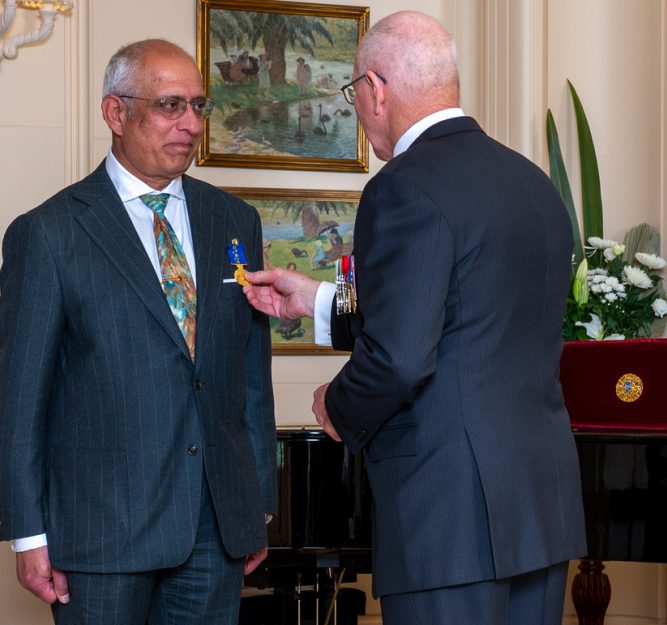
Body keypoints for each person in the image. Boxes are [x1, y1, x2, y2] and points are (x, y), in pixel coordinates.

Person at [243, 11, 585, 625]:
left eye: (353, 94)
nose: (358, 108)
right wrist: (319, 300)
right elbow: (465, 315)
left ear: (376, 88)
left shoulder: (403, 186)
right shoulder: (534, 184)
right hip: (539, 511)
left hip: (448, 518)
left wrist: (338, 404)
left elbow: (400, 360)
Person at [0, 39, 276, 625]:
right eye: (171, 106)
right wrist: (27, 534)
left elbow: (248, 378)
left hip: (214, 531)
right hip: (99, 536)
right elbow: (21, 403)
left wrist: (258, 508)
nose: (191, 124)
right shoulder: (49, 234)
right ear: (116, 113)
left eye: (199, 106)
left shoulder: (234, 221)